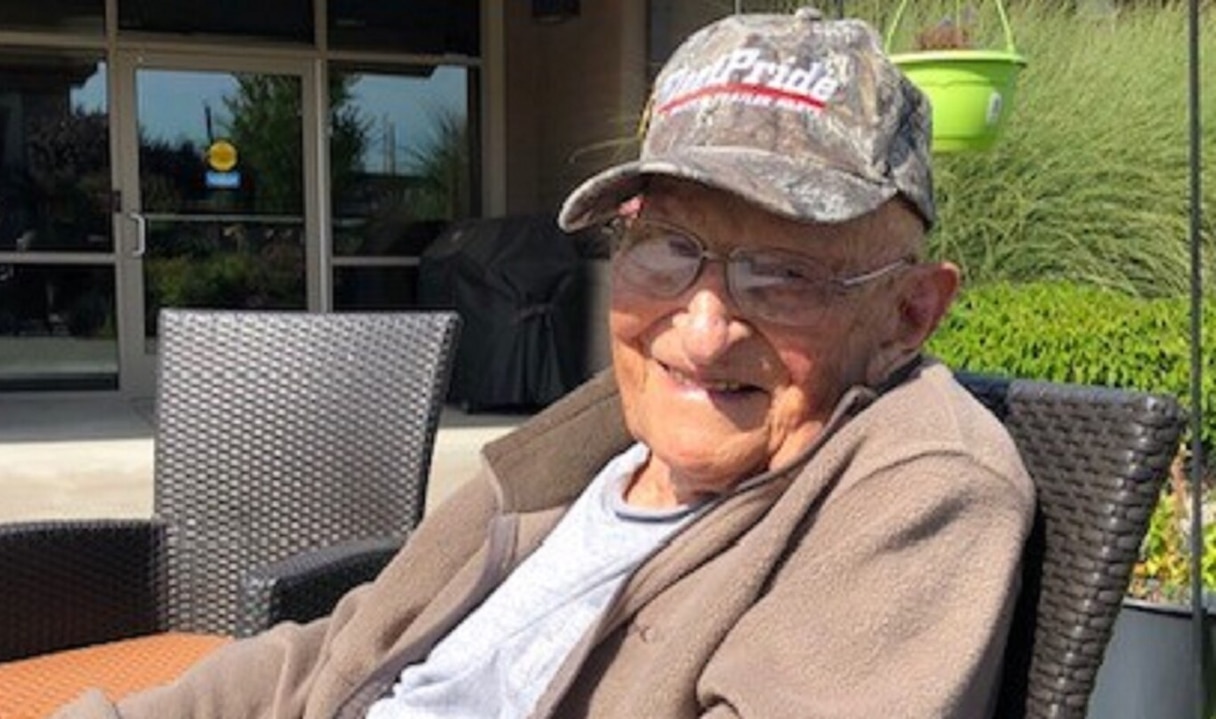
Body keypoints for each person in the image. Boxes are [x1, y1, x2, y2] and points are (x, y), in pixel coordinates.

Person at [57, 8, 1034, 718]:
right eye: (667, 246)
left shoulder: (914, 478)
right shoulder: (587, 443)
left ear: (909, 310)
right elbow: (339, 650)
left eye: (779, 273)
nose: (700, 327)